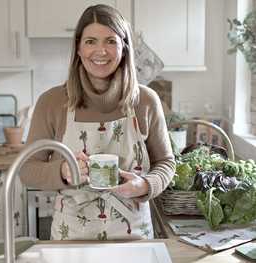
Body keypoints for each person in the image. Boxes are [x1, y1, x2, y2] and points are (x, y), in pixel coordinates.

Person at [20, 4, 175, 240]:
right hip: (71, 238)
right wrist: (62, 171)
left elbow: (165, 163)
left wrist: (144, 185)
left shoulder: (146, 100)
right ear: (79, 48)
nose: (100, 51)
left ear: (124, 47)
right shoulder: (52, 102)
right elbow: (27, 169)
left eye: (110, 41)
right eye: (91, 41)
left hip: (133, 237)